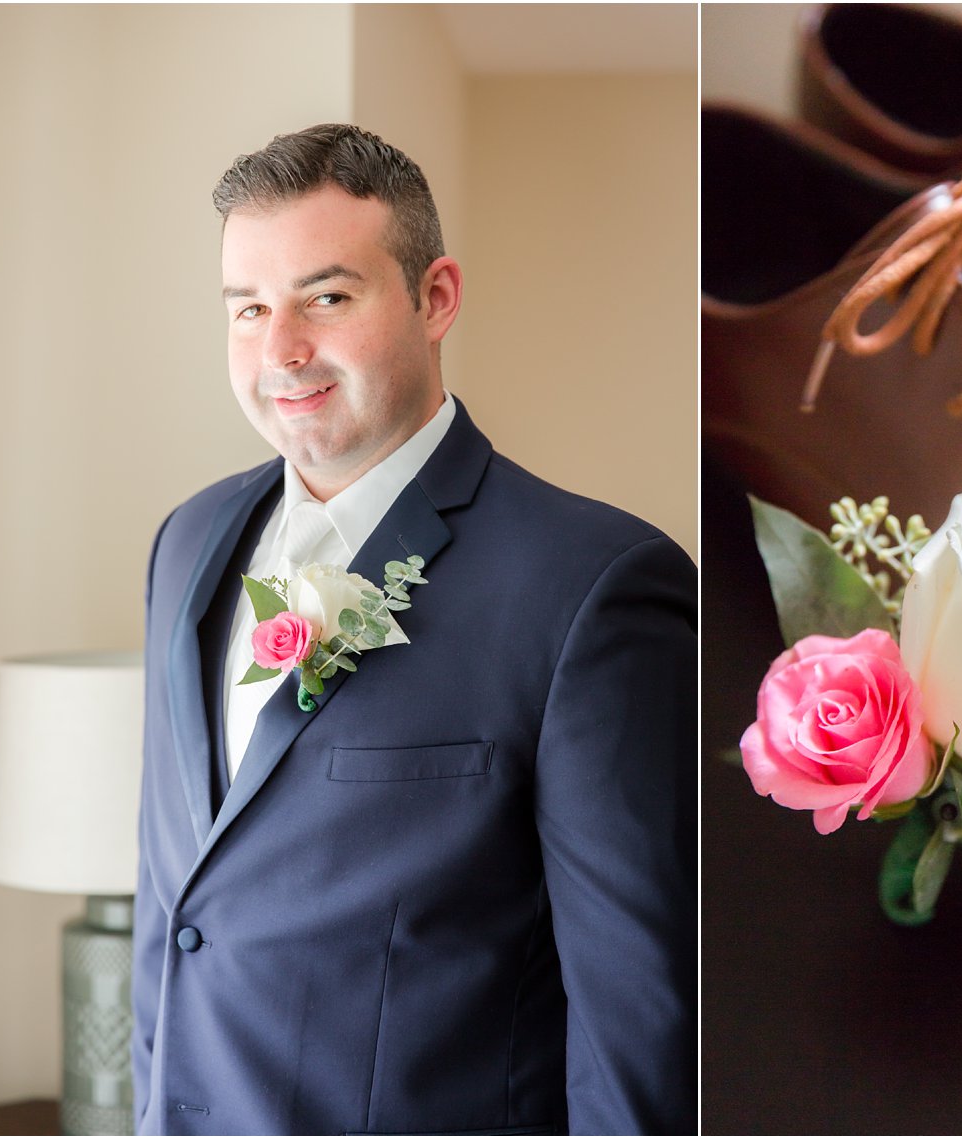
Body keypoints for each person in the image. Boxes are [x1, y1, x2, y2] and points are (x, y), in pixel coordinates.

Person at [131, 124, 697, 1136]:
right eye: (249, 308)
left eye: (326, 297)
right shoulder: (185, 541)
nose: (280, 349)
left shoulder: (592, 587)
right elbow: (171, 909)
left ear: (435, 297)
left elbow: (636, 1020)